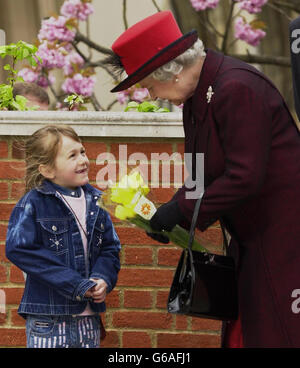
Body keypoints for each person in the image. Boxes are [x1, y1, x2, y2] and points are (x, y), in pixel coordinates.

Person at [106, 10, 300, 348]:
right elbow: (200, 171)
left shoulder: (236, 87)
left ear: (173, 71)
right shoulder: (194, 98)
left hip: (282, 237)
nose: (151, 95)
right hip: (249, 239)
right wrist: (168, 216)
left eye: (149, 86)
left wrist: (182, 209)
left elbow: (244, 177)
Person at [5, 125, 121, 348]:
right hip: (48, 319)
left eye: (83, 152)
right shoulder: (34, 203)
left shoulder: (97, 202)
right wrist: (76, 284)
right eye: (72, 155)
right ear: (47, 170)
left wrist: (102, 279)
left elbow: (110, 248)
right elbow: (19, 248)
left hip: (88, 320)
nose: (83, 160)